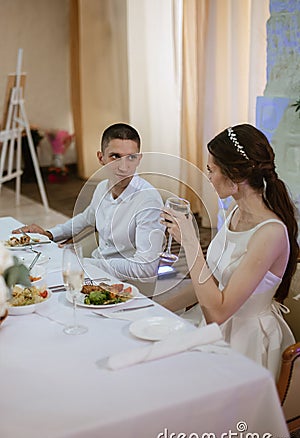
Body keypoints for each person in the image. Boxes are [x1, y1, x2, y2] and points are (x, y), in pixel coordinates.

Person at [161, 123, 299, 378]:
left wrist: (191, 243)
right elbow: (211, 281)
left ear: (234, 177)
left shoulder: (270, 233)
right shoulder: (235, 213)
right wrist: (157, 307)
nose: (209, 177)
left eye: (211, 170)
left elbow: (218, 312)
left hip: (246, 343)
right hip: (217, 330)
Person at [13, 123, 165, 294]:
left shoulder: (148, 201)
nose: (124, 167)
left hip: (125, 287)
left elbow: (145, 267)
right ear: (101, 158)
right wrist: (50, 234)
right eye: (115, 156)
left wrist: (84, 263)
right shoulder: (102, 188)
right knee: (33, 282)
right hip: (94, 274)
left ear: (139, 159)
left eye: (131, 157)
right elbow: (86, 218)